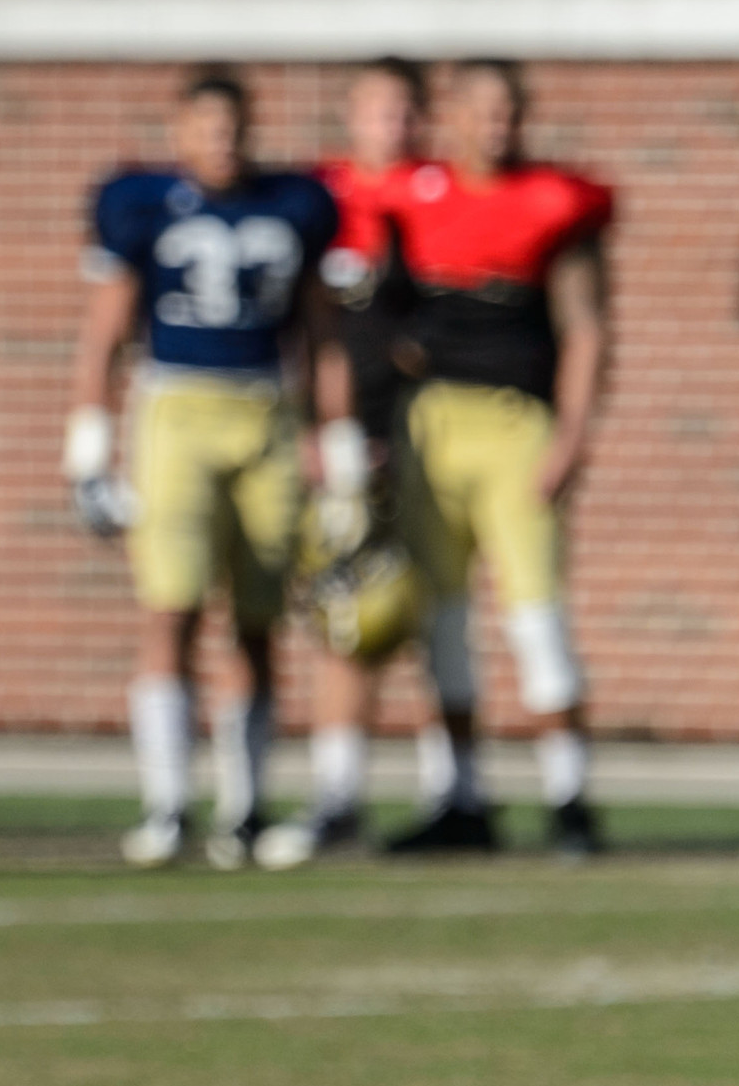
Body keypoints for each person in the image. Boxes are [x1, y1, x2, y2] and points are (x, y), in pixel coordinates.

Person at [65, 70, 345, 869]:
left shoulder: (296, 204)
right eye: (206, 127)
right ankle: (167, 801)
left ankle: (246, 804)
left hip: (268, 411)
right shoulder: (143, 204)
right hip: (176, 409)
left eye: (233, 126)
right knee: (172, 608)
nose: (221, 141)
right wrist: (89, 447)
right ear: (180, 132)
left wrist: (342, 441)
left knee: (259, 619)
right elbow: (106, 334)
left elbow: (320, 335)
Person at [372, 59, 613, 858]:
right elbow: (372, 313)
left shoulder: (554, 202)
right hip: (432, 424)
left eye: (509, 108)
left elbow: (584, 328)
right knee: (441, 621)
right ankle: (460, 795)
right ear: (455, 118)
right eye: (482, 109)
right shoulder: (411, 197)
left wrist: (573, 435)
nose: (497, 124)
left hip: (517, 424)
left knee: (536, 614)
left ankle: (569, 797)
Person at [256, 57, 436, 869]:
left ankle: (440, 791)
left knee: (410, 616)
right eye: (378, 110)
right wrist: (318, 428)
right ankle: (330, 791)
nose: (392, 127)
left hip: (412, 437)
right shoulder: (316, 201)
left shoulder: (437, 201)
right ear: (351, 117)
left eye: (406, 112)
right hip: (331, 437)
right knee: (340, 615)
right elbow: (302, 325)